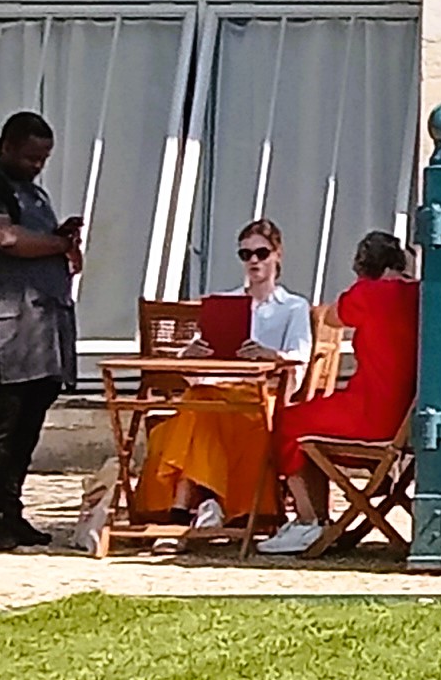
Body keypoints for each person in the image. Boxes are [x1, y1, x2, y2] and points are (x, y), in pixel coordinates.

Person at [126, 219, 308, 541]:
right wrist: (192, 352)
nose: (253, 260)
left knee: (196, 409)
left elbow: (300, 357)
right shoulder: (226, 303)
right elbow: (194, 362)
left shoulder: (293, 307)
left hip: (258, 396)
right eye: (245, 254)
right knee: (201, 405)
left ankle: (181, 512)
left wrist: (269, 355)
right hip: (215, 392)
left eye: (261, 253)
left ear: (277, 255)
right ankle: (203, 503)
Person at [0, 112, 83, 551]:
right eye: (30, 157)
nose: (37, 166)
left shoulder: (35, 193)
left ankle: (12, 510)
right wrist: (59, 244)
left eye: (44, 158)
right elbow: (5, 237)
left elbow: (34, 238)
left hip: (42, 323)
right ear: (7, 146)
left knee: (29, 422)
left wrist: (58, 236)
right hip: (0, 321)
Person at [260, 231, 418, 557]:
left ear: (363, 267)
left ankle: (309, 521)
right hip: (409, 420)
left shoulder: (368, 293)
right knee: (310, 425)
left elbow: (332, 318)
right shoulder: (419, 294)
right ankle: (318, 522)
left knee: (290, 421)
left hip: (371, 413)